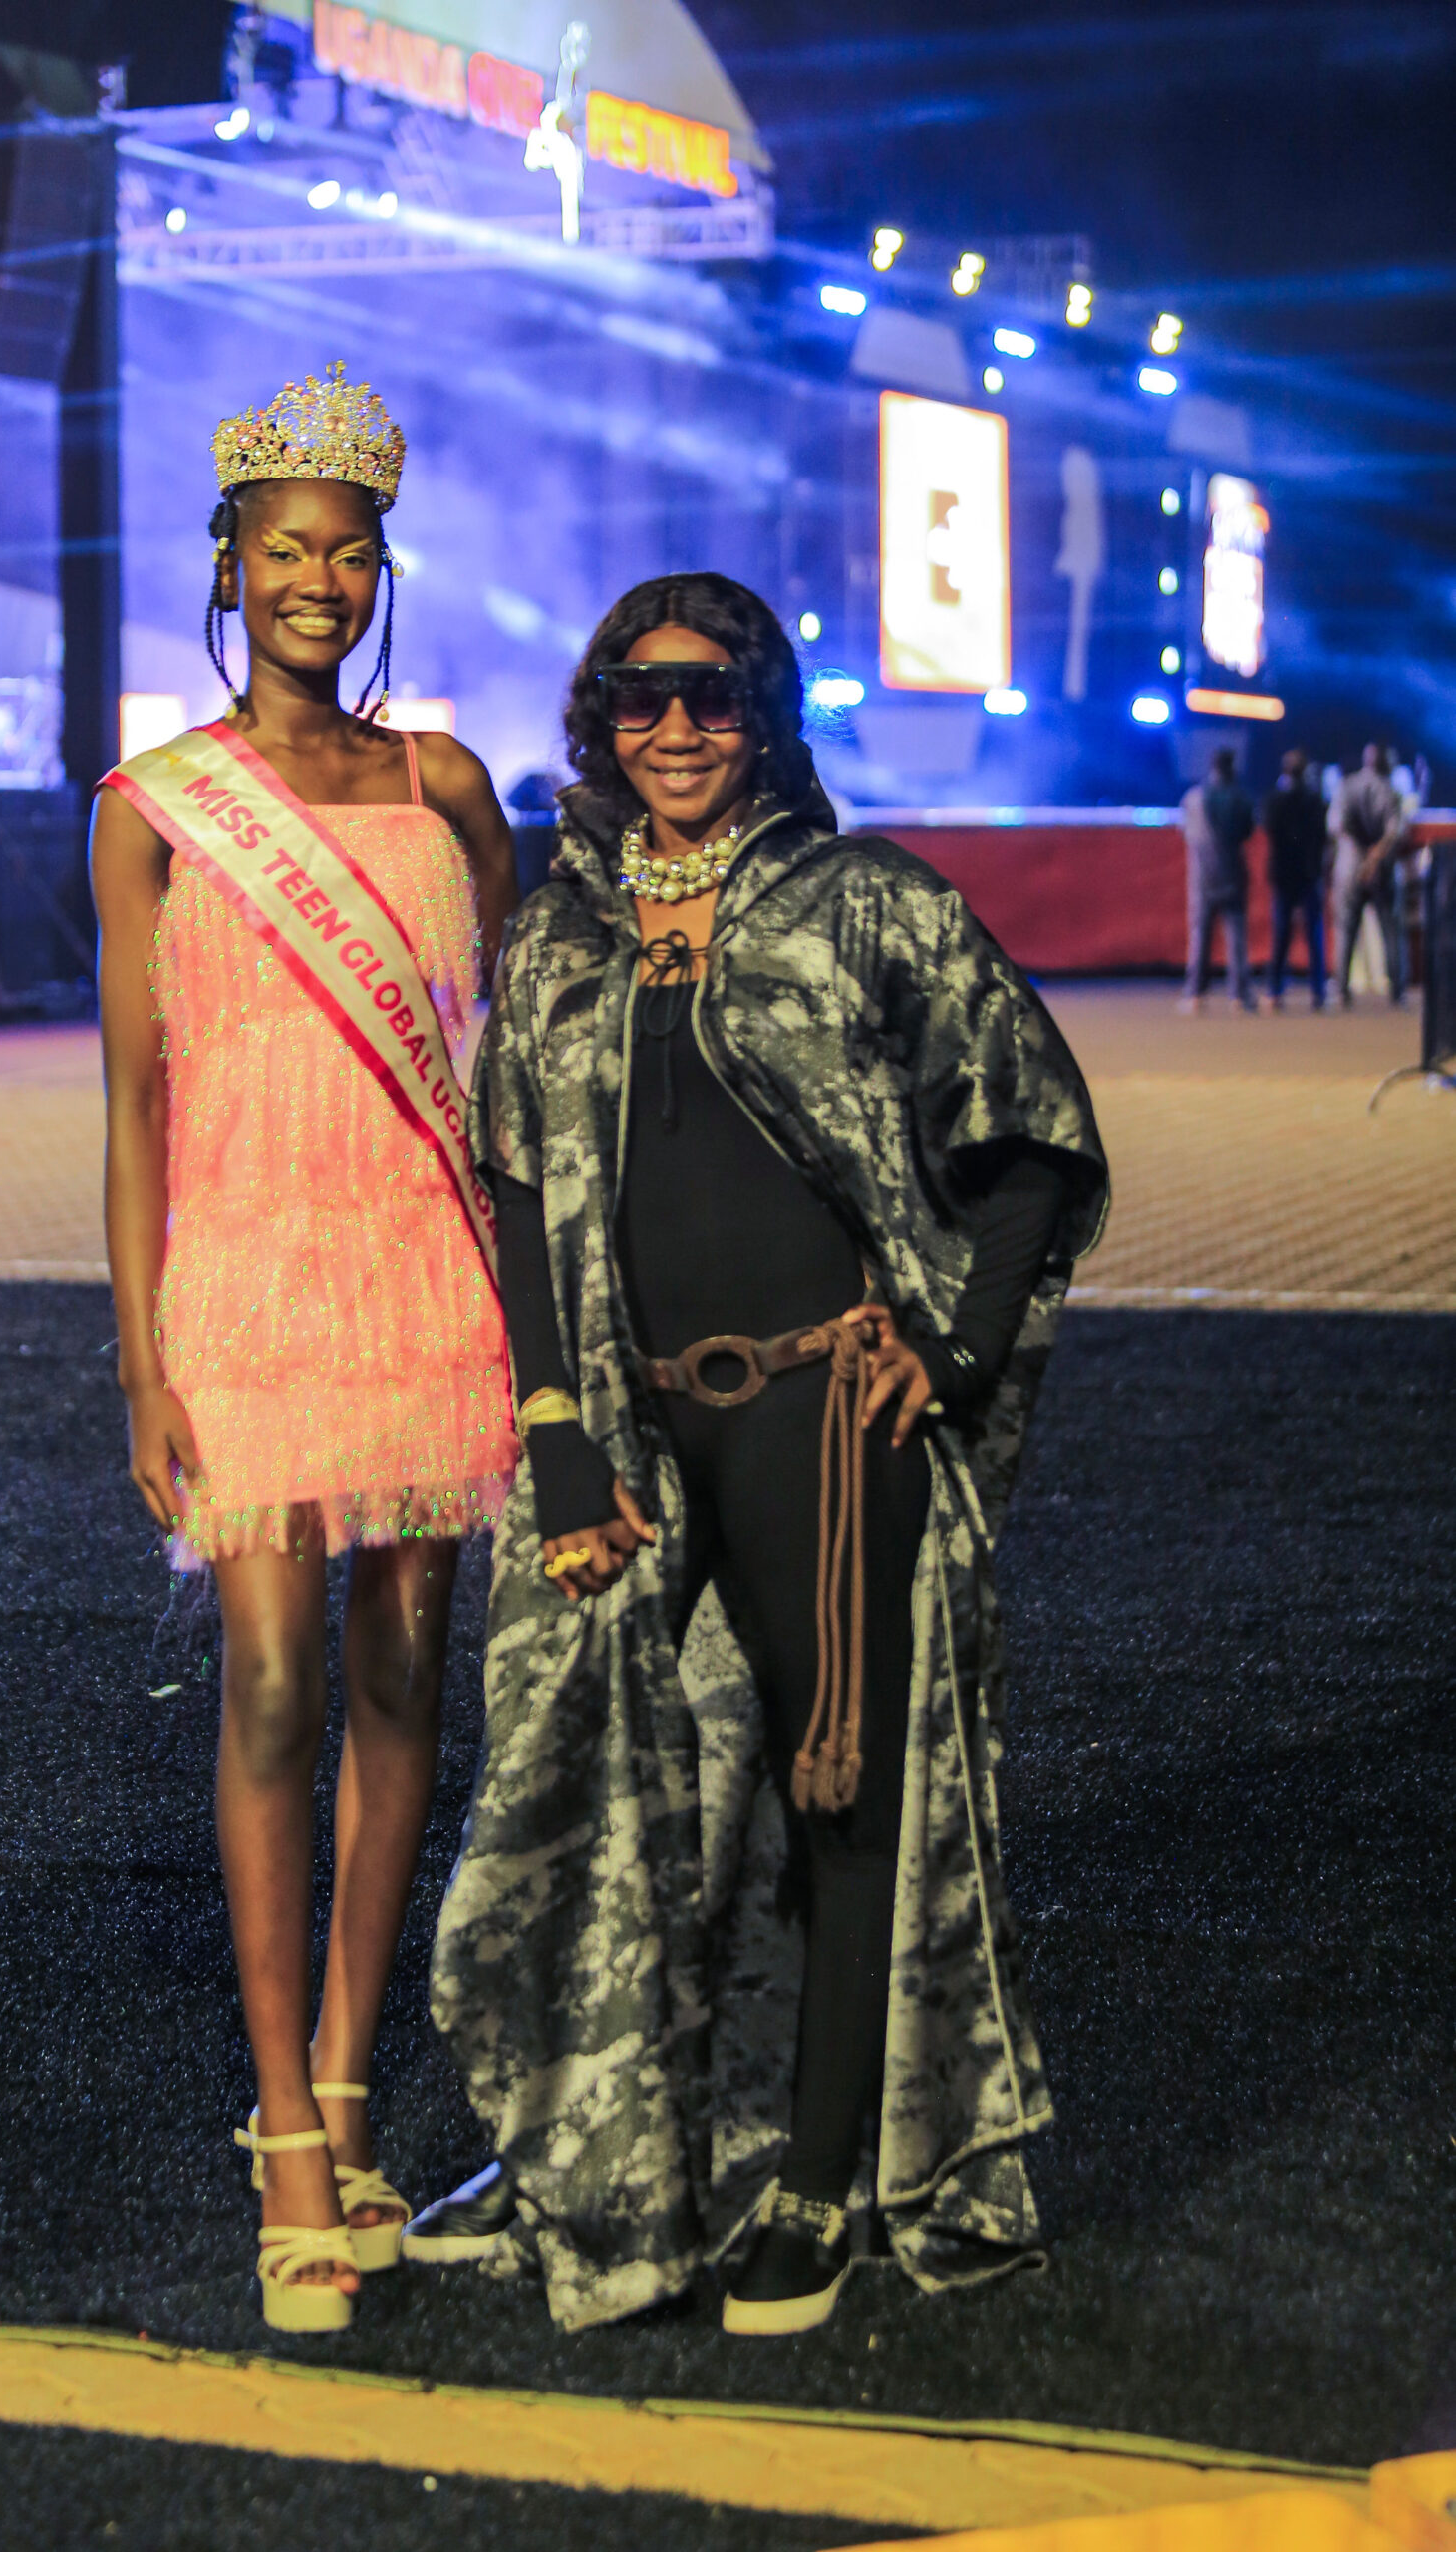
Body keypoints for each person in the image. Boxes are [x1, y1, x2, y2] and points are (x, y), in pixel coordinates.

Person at [409, 573, 1108, 2335]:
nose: (674, 729)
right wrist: (558, 1439)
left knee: (837, 1785)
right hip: (624, 1432)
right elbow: (515, 1189)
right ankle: (589, 2156)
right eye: (638, 698)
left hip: (822, 1420)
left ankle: (818, 2178)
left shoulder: (863, 903)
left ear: (764, 711)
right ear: (597, 719)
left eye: (710, 695)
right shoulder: (558, 935)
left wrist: (952, 1348)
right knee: (588, 1784)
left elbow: (1031, 1133)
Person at [91, 369, 518, 2332]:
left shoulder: (444, 789)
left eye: (345, 554)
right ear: (230, 567)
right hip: (248, 1286)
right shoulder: (153, 812)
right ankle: (280, 2129)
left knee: (404, 1671)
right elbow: (133, 1104)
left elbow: (497, 1051)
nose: (315, 583)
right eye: (283, 553)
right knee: (270, 1679)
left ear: (378, 571)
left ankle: (348, 2088)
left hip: (422, 1269)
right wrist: (142, 1361)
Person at [1179, 745, 1257, 1011]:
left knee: (1200, 934)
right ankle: (1238, 994)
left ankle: (1195, 993)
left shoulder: (1193, 797)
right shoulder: (1240, 797)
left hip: (1201, 875)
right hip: (1232, 871)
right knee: (1236, 936)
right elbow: (1248, 831)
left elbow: (1187, 833)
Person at [1335, 743, 1405, 1005]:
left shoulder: (1347, 786)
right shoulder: (1391, 791)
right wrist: (1374, 858)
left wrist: (1360, 857)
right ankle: (1397, 991)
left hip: (1350, 869)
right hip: (1382, 869)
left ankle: (1342, 989)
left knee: (1346, 930)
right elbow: (1395, 831)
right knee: (1391, 930)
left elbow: (1338, 826)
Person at [1261, 747, 1328, 1010]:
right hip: (1309, 874)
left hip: (1283, 874)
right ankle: (1318, 992)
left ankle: (1274, 990)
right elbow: (1322, 836)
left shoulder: (1274, 799)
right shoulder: (1315, 799)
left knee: (1281, 934)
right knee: (1314, 934)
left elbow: (1269, 830)